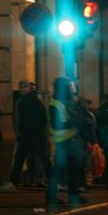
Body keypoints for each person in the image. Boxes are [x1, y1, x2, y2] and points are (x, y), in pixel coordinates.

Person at [3, 80, 52, 193]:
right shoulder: (23, 101)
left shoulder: (35, 101)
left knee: (43, 159)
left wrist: (36, 131)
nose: (23, 89)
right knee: (20, 160)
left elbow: (43, 118)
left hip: (35, 136)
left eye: (25, 87)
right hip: (27, 136)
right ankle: (13, 183)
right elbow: (21, 119)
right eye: (22, 88)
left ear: (29, 88)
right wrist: (20, 132)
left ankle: (54, 181)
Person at [46, 77, 87, 207]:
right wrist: (72, 122)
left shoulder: (64, 102)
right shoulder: (55, 104)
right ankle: (52, 197)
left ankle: (73, 196)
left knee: (72, 171)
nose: (70, 88)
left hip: (70, 140)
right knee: (59, 171)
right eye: (67, 86)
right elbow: (56, 124)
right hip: (63, 142)